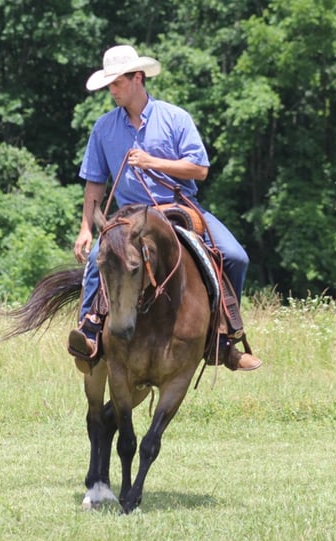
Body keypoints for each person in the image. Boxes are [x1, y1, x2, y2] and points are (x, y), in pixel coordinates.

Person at [68, 45, 261, 373]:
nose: (111, 91)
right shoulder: (103, 128)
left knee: (235, 256)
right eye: (109, 85)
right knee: (98, 258)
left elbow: (199, 170)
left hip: (177, 207)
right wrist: (86, 227)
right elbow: (95, 184)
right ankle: (90, 332)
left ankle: (223, 338)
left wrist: (151, 161)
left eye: (116, 83)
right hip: (128, 214)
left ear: (137, 78)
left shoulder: (175, 118)